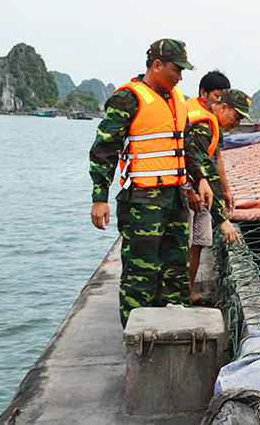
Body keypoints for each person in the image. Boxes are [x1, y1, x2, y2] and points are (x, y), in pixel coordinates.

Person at [89, 38, 213, 327]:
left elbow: (186, 148)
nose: (180, 77)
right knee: (140, 274)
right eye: (176, 70)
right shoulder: (128, 98)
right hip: (142, 203)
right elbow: (103, 149)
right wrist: (99, 198)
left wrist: (201, 180)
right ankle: (137, 338)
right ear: (156, 65)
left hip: (175, 201)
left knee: (176, 270)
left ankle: (173, 330)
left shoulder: (177, 101)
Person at [186, 86, 250, 306]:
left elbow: (213, 166)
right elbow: (201, 167)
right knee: (181, 246)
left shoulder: (213, 127)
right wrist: (222, 220)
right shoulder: (202, 126)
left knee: (198, 242)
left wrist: (224, 193)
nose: (238, 123)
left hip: (203, 196)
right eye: (237, 116)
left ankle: (186, 292)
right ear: (223, 107)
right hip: (188, 193)